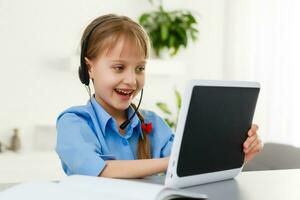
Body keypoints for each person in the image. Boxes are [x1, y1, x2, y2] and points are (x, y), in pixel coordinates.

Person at [56, 14, 263, 179]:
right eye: (119, 67)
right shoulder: (73, 122)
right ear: (89, 68)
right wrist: (173, 161)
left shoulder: (153, 123)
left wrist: (236, 153)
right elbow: (102, 170)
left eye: (140, 68)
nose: (131, 80)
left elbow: (193, 165)